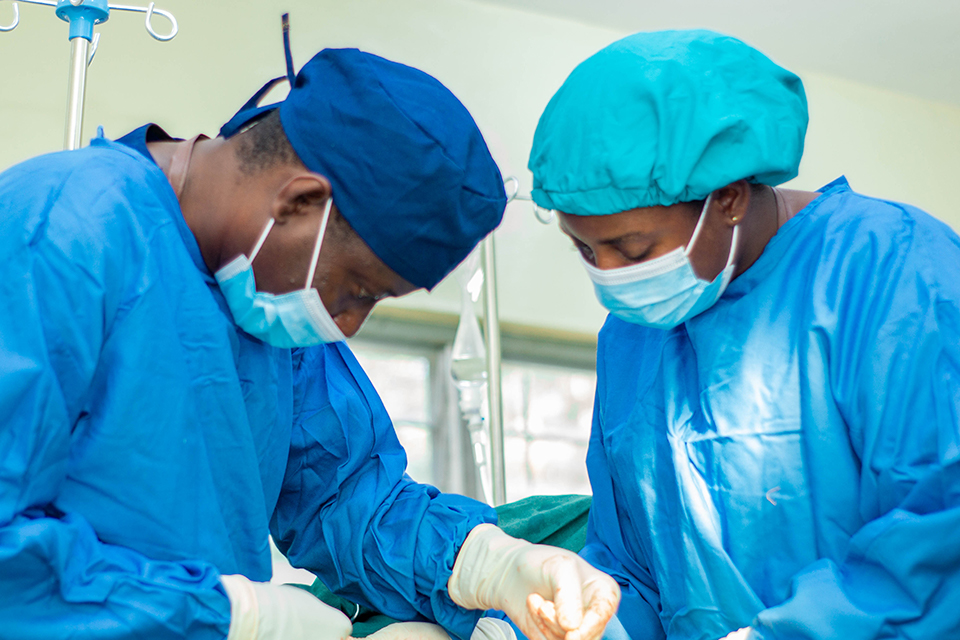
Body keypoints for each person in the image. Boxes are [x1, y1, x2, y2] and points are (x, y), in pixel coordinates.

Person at [0, 42, 620, 640]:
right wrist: (231, 616)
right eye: (357, 289)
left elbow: (346, 499)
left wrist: (487, 564)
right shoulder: (60, 230)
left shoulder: (262, 303)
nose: (347, 324)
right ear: (300, 202)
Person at [527, 29, 960, 640]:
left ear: (728, 198)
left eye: (631, 248)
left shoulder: (895, 271)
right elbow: (631, 565)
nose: (609, 277)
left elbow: (941, 531)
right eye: (585, 250)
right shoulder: (631, 337)